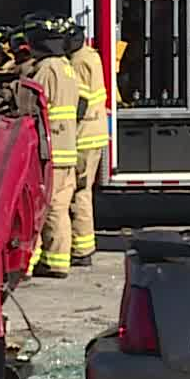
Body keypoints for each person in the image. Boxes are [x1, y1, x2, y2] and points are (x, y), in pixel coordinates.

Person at [17, 20, 80, 279]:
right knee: (60, 207)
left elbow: (29, 104)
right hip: (68, 149)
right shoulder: (66, 66)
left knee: (41, 208)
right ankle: (58, 261)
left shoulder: (45, 69)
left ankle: (30, 264)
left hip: (50, 149)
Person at [65, 16, 108, 267]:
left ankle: (82, 250)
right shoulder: (91, 55)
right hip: (95, 134)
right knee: (82, 193)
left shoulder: (78, 62)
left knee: (77, 194)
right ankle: (83, 247)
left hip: (83, 136)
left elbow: (79, 102)